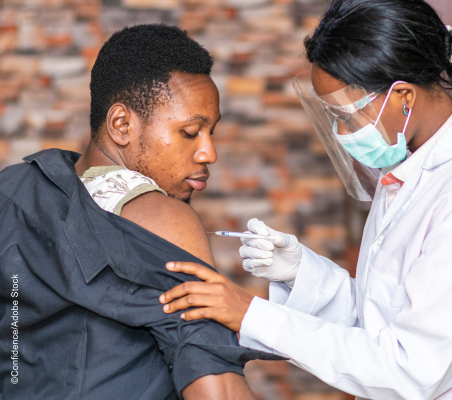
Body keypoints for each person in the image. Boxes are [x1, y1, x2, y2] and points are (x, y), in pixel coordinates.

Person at [159, 0, 452, 398]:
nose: (341, 132)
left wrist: (253, 315)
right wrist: (302, 272)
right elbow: (380, 317)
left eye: (346, 114)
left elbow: (411, 368)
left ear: (403, 97)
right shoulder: (412, 169)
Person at [0, 24, 280, 400]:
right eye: (190, 132)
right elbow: (217, 388)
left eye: (211, 132)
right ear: (121, 124)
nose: (208, 153)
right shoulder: (164, 218)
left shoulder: (14, 189)